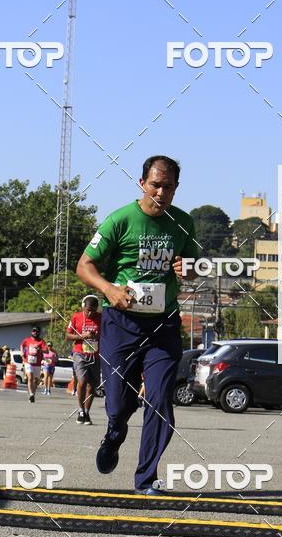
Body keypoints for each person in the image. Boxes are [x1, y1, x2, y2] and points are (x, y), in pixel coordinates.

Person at [76, 154, 199, 494]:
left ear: (176, 188)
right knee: (118, 402)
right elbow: (84, 266)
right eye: (156, 185)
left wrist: (188, 270)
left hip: (164, 325)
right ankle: (115, 432)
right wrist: (108, 289)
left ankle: (146, 478)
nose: (161, 192)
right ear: (142, 183)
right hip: (121, 323)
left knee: (159, 400)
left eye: (169, 187)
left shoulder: (184, 223)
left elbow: (195, 264)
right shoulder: (120, 220)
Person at [66, 295, 102, 425]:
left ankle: (86, 412)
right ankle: (80, 410)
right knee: (82, 380)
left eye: (93, 310)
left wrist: (97, 336)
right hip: (80, 353)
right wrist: (82, 336)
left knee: (92, 386)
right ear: (83, 307)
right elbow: (68, 335)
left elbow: (107, 335)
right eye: (87, 310)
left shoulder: (101, 318)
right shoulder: (76, 317)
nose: (90, 313)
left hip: (95, 355)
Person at [21, 326, 48, 403]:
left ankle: (33, 394)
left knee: (36, 380)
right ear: (31, 332)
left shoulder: (41, 341)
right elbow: (22, 345)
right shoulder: (27, 340)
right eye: (33, 331)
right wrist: (22, 353)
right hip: (28, 362)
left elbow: (46, 351)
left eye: (36, 331)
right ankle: (31, 394)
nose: (35, 332)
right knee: (30, 377)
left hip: (37, 363)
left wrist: (40, 349)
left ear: (39, 332)